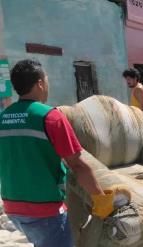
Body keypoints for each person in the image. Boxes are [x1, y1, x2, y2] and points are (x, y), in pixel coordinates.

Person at [0, 59, 116, 247]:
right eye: (46, 80)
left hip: (13, 207)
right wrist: (100, 198)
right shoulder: (50, 117)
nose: (48, 85)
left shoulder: (3, 118)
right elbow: (77, 164)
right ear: (39, 83)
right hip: (44, 210)